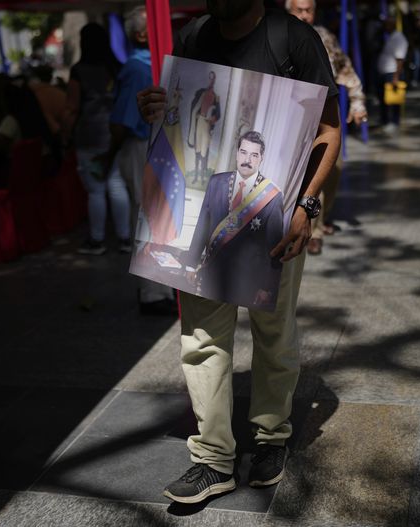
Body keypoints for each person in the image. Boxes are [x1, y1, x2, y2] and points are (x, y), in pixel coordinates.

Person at [138, 0, 340, 504]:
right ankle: (212, 459)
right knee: (202, 338)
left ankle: (272, 438)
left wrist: (307, 207)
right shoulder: (194, 37)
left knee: (274, 332)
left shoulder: (292, 39)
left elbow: (331, 131)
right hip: (212, 213)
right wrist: (157, 111)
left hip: (277, 216)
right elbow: (179, 124)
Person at [102, 6, 177, 316]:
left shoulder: (147, 64)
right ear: (141, 34)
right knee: (147, 214)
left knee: (153, 214)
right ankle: (152, 291)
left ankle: (157, 288)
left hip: (149, 143)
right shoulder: (138, 67)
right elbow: (122, 121)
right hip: (140, 143)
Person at [286, 0, 368, 255]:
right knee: (307, 177)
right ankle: (315, 229)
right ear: (289, 11)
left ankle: (319, 220)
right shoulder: (277, 37)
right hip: (290, 121)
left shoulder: (324, 37)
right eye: (298, 10)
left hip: (323, 118)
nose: (304, 15)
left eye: (308, 10)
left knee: (333, 169)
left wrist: (357, 103)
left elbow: (346, 69)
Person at [184, 131, 284, 309]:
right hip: (211, 273)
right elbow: (202, 226)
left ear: (262, 158)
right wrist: (191, 265)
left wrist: (267, 287)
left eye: (254, 155)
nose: (248, 159)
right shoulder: (216, 182)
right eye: (244, 152)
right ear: (237, 154)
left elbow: (274, 247)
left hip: (245, 282)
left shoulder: (272, 197)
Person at [64, 23, 131, 256]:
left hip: (89, 135)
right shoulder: (116, 68)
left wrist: (65, 133)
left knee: (95, 190)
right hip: (115, 132)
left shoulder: (78, 71)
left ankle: (97, 239)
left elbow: (72, 107)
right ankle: (125, 238)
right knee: (117, 185)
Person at [377, 11, 409, 134]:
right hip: (385, 71)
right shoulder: (391, 37)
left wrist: (396, 77)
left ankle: (394, 122)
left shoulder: (399, 38)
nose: (385, 27)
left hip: (392, 73)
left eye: (387, 24)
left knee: (394, 100)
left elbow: (400, 59)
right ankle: (385, 121)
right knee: (384, 99)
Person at [187, 71, 221, 184]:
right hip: (200, 122)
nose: (211, 81)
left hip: (207, 125)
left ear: (215, 80)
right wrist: (196, 114)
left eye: (213, 79)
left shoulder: (216, 97)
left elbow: (218, 114)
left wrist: (212, 119)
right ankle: (196, 176)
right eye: (210, 78)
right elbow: (195, 105)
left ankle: (201, 178)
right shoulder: (201, 93)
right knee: (197, 151)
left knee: (204, 152)